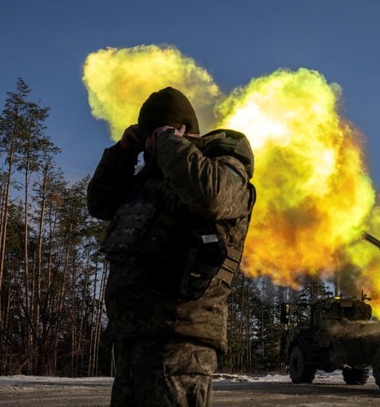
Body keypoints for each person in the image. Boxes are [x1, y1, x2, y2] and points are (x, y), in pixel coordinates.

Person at [87, 87, 256, 406]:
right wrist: (124, 152)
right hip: (132, 343)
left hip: (180, 348)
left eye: (157, 135)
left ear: (180, 132)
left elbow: (213, 197)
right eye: (148, 138)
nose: (151, 146)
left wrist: (168, 142)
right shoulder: (151, 182)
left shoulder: (221, 167)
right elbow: (100, 203)